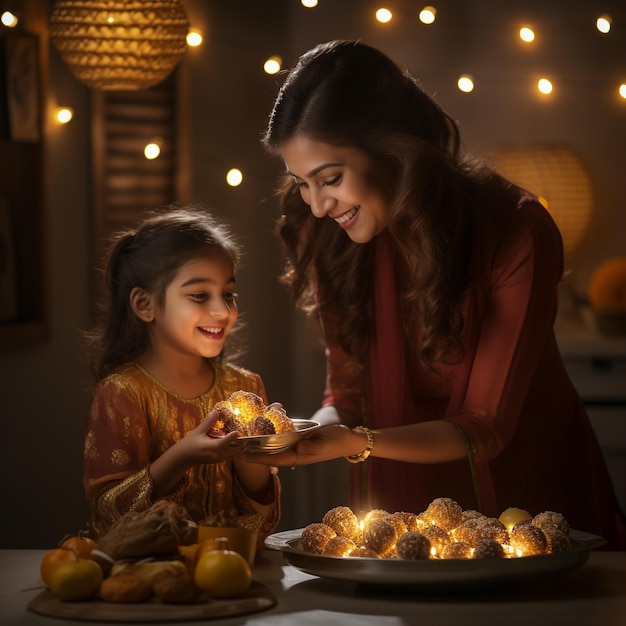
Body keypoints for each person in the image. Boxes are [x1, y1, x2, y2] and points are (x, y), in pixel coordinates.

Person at [257, 39, 626, 549]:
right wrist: (308, 431)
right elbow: (346, 393)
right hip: (402, 508)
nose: (318, 206)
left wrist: (358, 443)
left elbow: (487, 426)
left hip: (527, 499)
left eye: (331, 179)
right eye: (302, 183)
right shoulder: (328, 235)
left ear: (391, 150)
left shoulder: (516, 230)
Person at [82, 205, 280, 551]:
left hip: (232, 572)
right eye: (200, 295)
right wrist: (182, 456)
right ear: (145, 305)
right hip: (151, 580)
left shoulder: (244, 387)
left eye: (228, 294)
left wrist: (254, 453)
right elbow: (108, 515)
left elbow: (261, 522)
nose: (222, 310)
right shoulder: (122, 393)